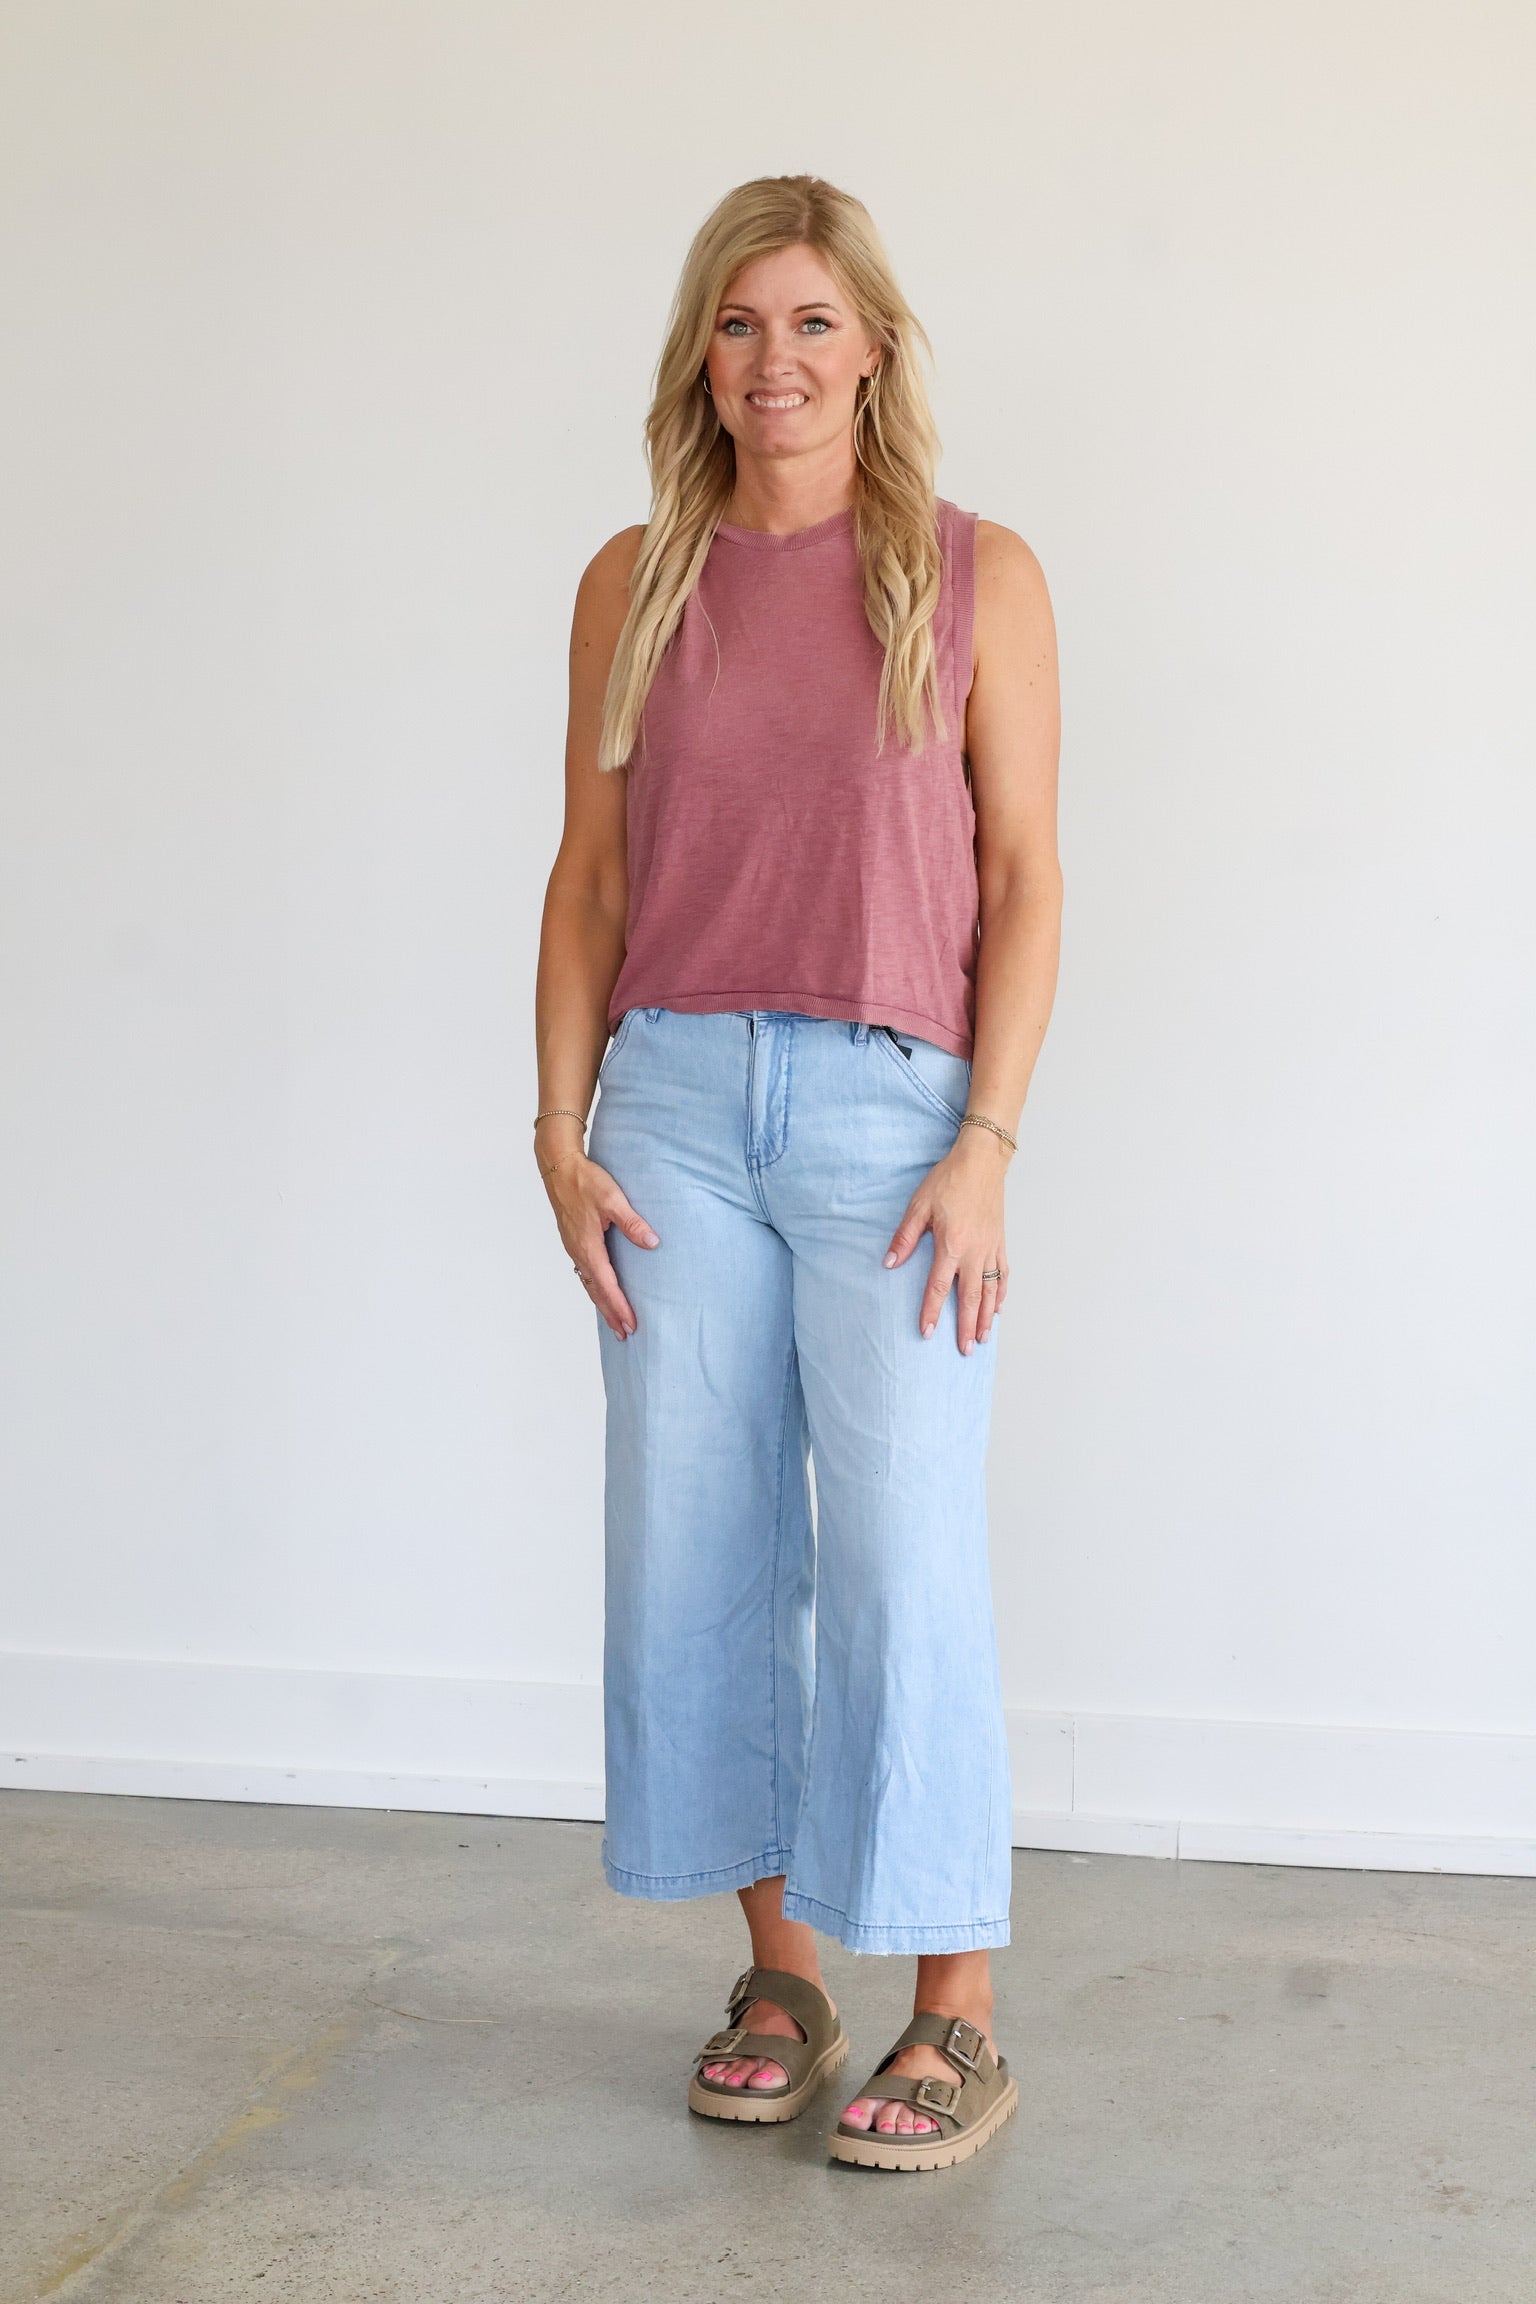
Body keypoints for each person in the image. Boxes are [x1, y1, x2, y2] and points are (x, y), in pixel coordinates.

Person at [534, 173, 1061, 2173]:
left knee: (906, 1553)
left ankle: (957, 2013)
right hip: (670, 1105)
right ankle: (782, 1975)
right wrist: (558, 1129)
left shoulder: (977, 574)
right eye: (742, 323)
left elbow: (1031, 881)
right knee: (699, 1544)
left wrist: (987, 1143)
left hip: (894, 1118)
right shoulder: (632, 579)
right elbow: (590, 880)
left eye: (815, 321)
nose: (778, 360)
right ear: (701, 355)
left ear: (875, 349)